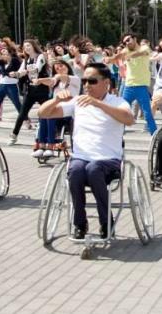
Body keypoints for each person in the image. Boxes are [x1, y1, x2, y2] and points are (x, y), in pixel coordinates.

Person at [38, 63, 134, 239]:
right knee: (74, 171)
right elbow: (43, 113)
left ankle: (106, 221)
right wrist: (56, 100)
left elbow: (129, 119)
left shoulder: (118, 102)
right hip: (81, 158)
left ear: (106, 82)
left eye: (92, 81)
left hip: (109, 160)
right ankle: (80, 223)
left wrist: (98, 104)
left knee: (94, 169)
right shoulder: (78, 101)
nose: (87, 85)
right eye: (84, 81)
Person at [109, 33, 157, 134]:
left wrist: (127, 55)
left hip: (141, 87)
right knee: (121, 110)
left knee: (147, 114)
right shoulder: (125, 50)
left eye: (128, 40)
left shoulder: (145, 47)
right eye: (125, 42)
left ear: (135, 39)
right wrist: (111, 59)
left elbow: (139, 53)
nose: (127, 43)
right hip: (128, 86)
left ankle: (154, 135)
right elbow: (118, 56)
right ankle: (116, 133)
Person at [32, 59, 80, 158]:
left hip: (69, 113)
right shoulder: (57, 83)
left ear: (67, 66)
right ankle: (41, 146)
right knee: (44, 114)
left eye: (61, 66)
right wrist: (40, 80)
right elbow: (50, 81)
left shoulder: (75, 79)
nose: (60, 69)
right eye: (57, 68)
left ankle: (50, 146)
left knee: (50, 115)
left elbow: (61, 77)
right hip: (56, 111)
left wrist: (56, 77)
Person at [10, 39, 50, 144]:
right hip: (30, 90)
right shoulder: (26, 60)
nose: (26, 48)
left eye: (28, 45)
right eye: (25, 46)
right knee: (22, 113)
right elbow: (20, 72)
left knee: (47, 112)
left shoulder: (40, 56)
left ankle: (53, 133)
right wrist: (15, 74)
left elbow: (37, 69)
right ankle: (14, 135)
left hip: (42, 89)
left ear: (33, 46)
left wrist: (24, 72)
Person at [0, 45, 22, 128]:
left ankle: (26, 120)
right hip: (2, 85)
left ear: (10, 53)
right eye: (3, 54)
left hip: (12, 85)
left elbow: (20, 71)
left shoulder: (15, 61)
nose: (4, 55)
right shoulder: (3, 62)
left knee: (17, 103)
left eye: (6, 53)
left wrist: (14, 74)